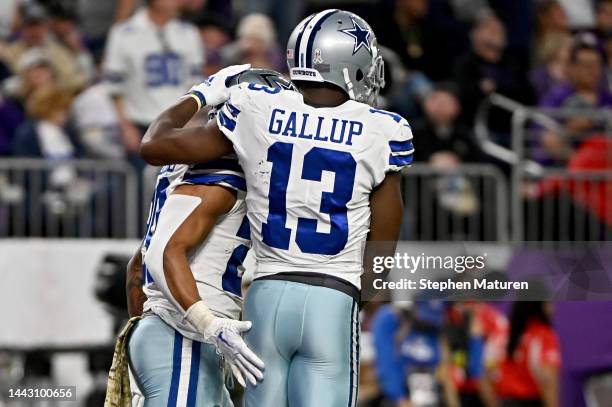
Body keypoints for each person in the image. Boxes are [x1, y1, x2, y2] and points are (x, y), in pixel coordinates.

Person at [139, 9, 410, 406]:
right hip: (332, 295)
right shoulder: (383, 129)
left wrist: (202, 93)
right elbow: (383, 248)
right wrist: (355, 299)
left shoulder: (256, 109)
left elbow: (155, 146)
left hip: (264, 295)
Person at [123, 69, 295, 407]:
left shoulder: (185, 166)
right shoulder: (223, 170)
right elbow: (161, 253)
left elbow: (136, 270)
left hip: (175, 334)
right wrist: (208, 324)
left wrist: (146, 332)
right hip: (185, 336)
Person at [102, 0, 204, 170]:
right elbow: (114, 88)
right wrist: (125, 126)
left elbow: (196, 84)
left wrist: (193, 119)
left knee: (175, 189)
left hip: (180, 124)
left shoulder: (189, 33)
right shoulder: (123, 33)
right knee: (142, 190)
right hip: (140, 123)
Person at [497, 301, 560, 407]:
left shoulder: (507, 334)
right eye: (548, 302)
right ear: (539, 305)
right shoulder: (542, 335)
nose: (552, 307)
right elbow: (547, 380)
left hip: (506, 402)